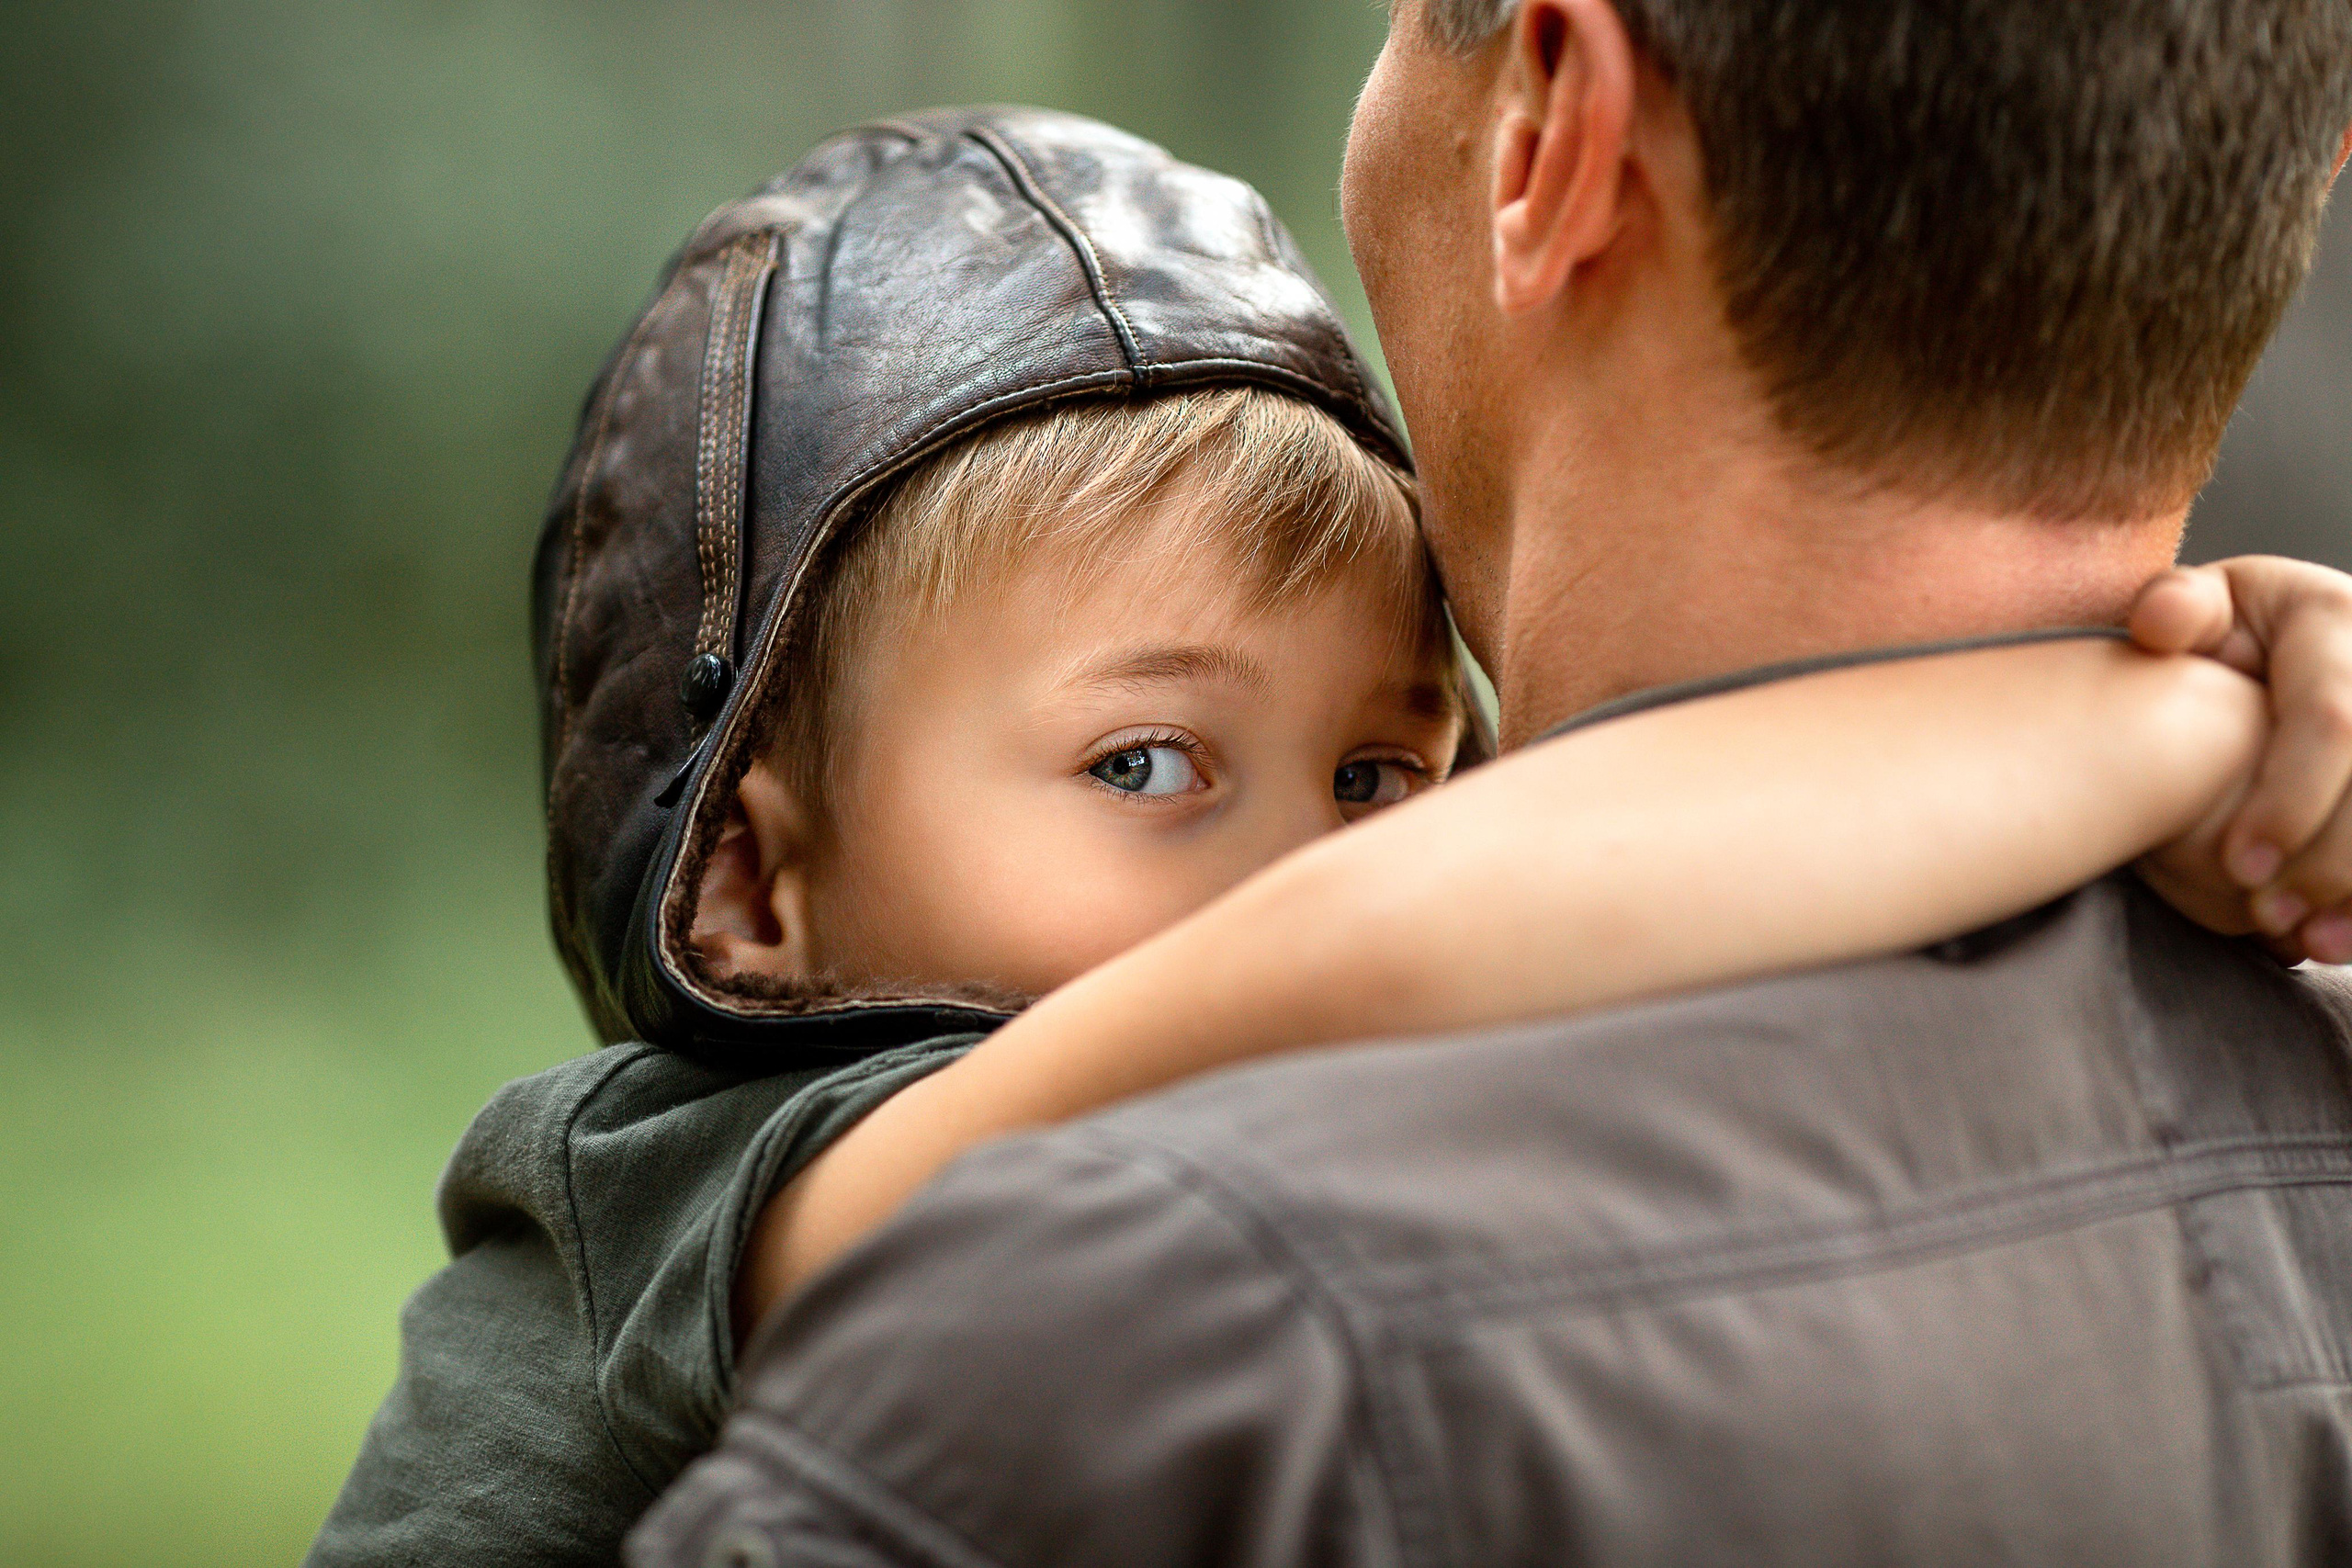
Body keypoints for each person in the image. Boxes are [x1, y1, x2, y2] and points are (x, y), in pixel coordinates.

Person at [315, 107, 2352, 1568]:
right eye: (1144, 766)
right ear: (750, 884)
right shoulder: (676, 1185)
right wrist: (2147, 718)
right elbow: (1379, 949)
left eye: (1376, 771)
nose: (1303, 861)